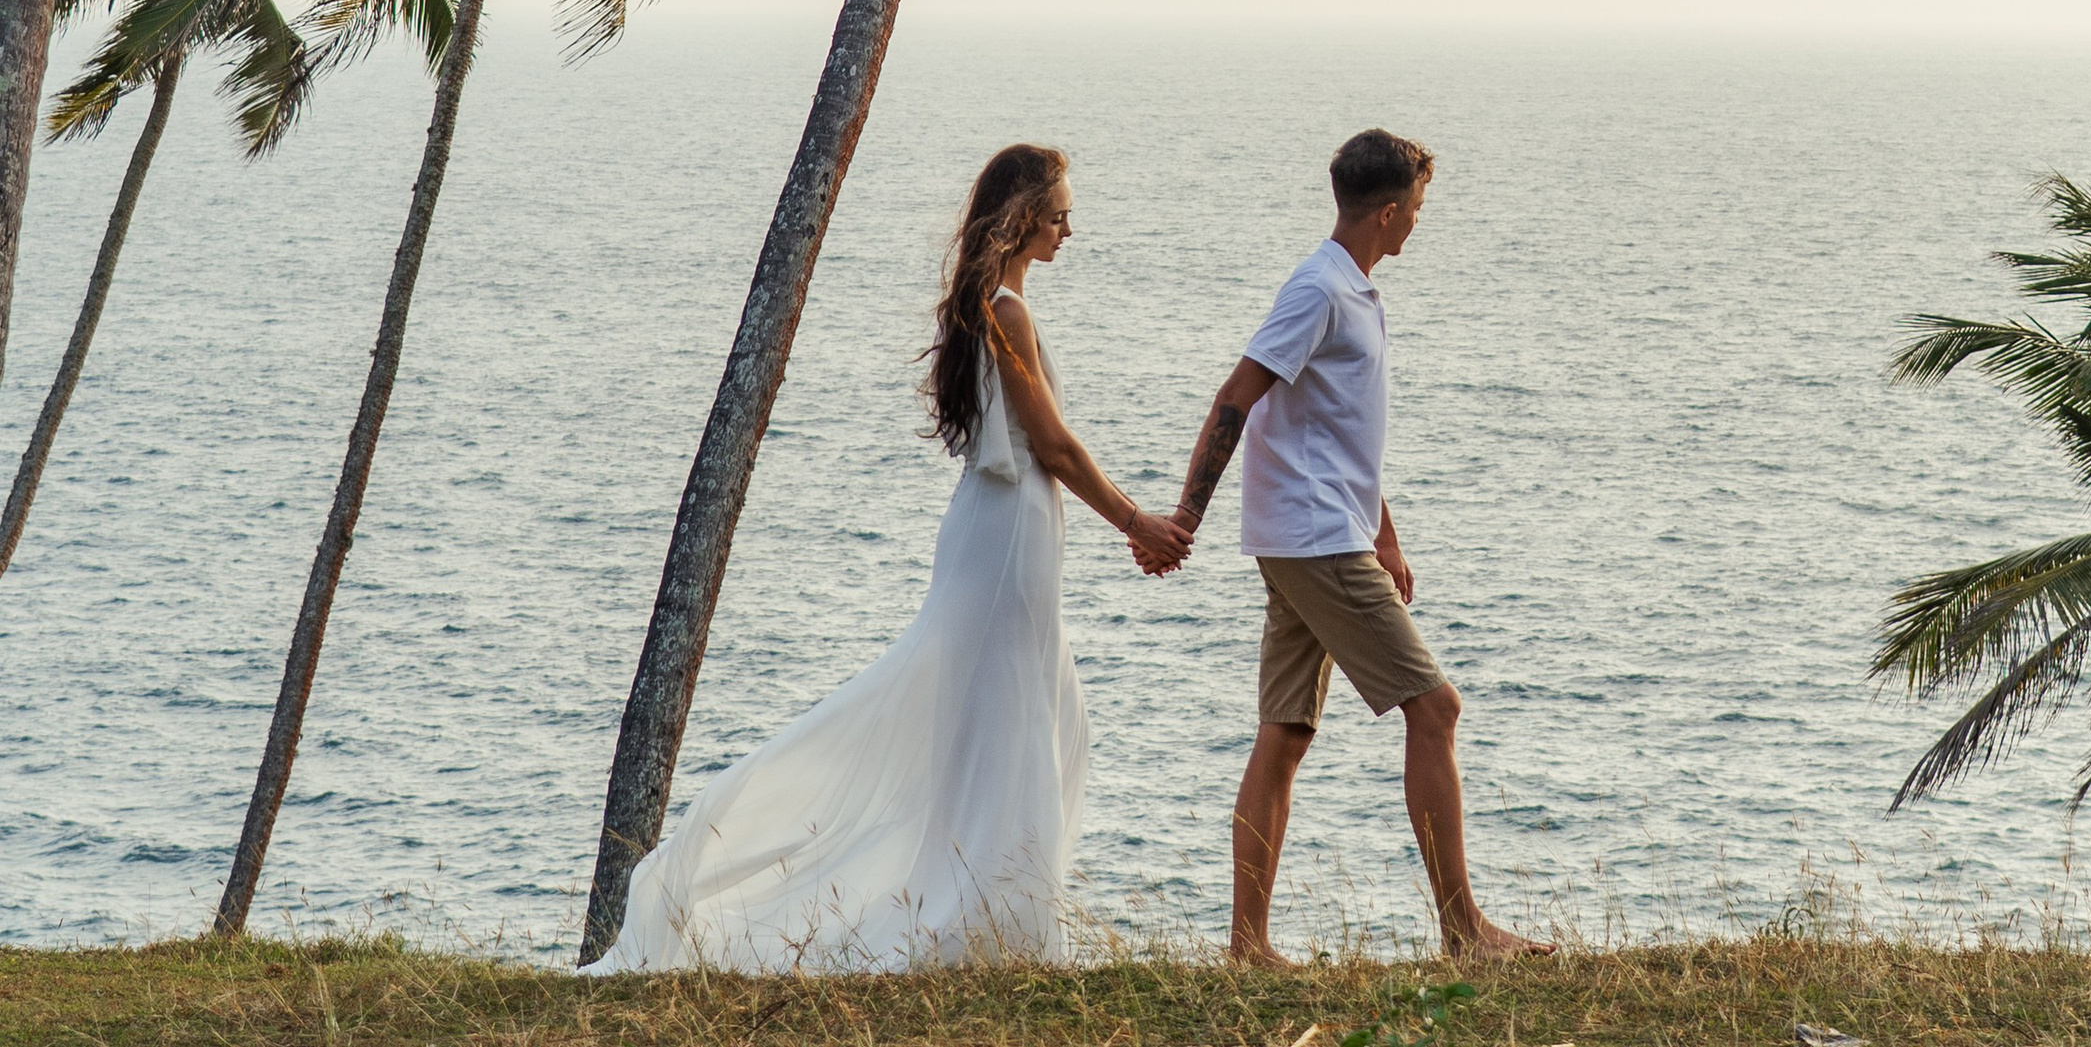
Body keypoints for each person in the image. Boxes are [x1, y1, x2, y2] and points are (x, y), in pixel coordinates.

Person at [592, 142, 1186, 971]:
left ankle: (1000, 906)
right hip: (1008, 530)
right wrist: (1136, 518)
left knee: (1028, 712)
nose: (1069, 228)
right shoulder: (1007, 310)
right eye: (1058, 213)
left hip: (999, 524)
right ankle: (994, 920)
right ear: (1021, 216)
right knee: (1014, 716)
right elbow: (1048, 441)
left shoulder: (988, 302)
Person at [1169, 126, 1540, 967]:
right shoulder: (1320, 290)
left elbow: (1337, 432)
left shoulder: (1351, 288)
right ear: (1385, 210)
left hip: (1318, 529)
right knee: (1434, 706)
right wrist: (1186, 516)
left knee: (1285, 728)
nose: (1418, 219)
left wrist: (1386, 530)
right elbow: (1237, 396)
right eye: (1416, 206)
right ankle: (1464, 932)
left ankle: (1246, 946)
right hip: (1312, 537)